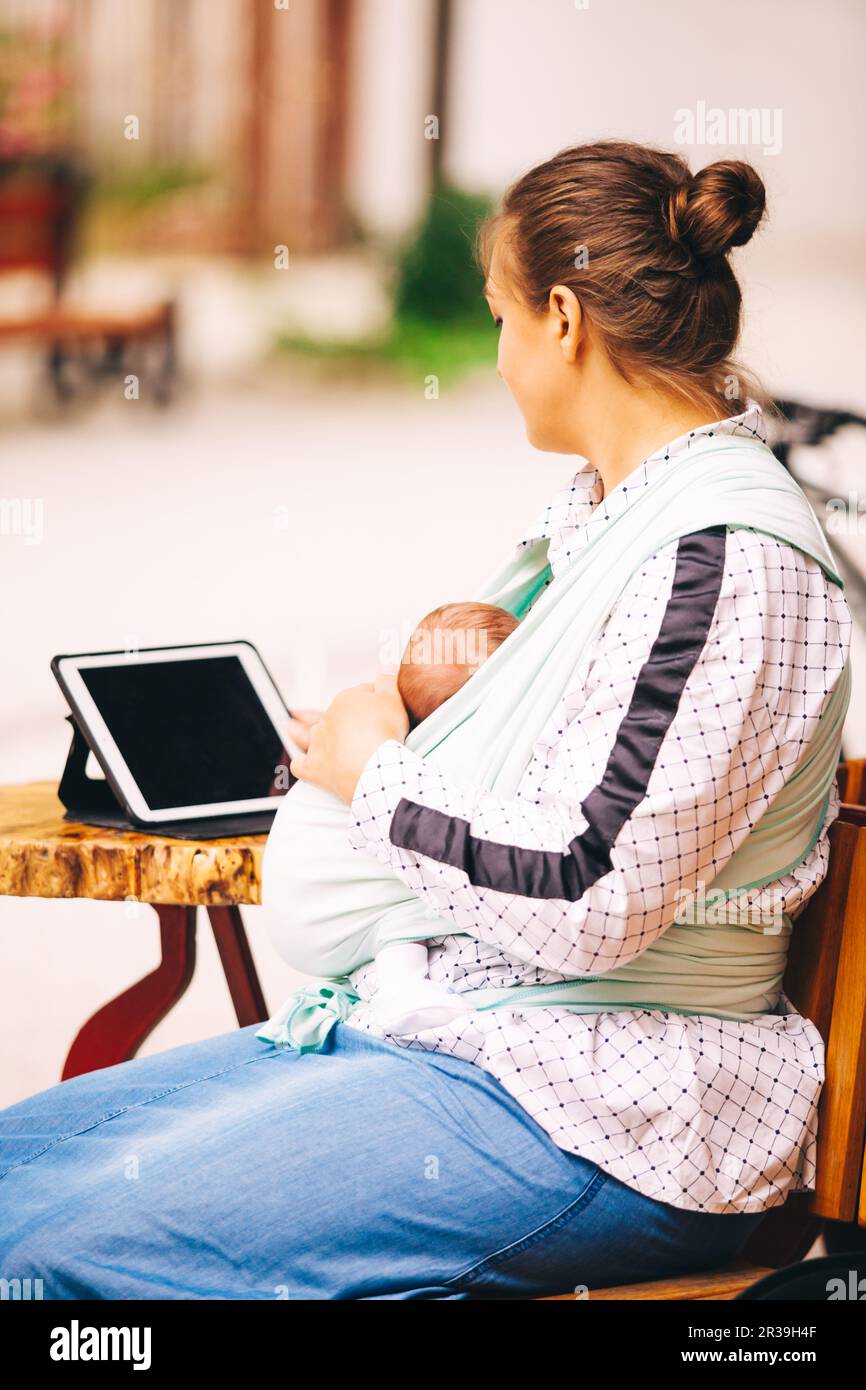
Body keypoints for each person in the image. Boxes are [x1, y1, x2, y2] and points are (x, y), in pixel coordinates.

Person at [0, 140, 851, 1300]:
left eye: (500, 319)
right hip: (462, 1036)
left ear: (561, 318)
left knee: (63, 1268)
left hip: (613, 1111)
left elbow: (590, 892)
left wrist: (371, 773)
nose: (497, 361)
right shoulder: (614, 529)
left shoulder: (717, 562)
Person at [256, 600, 520, 1039]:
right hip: (329, 919)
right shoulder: (447, 761)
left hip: (294, 902)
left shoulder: (373, 722)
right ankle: (403, 991)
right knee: (446, 898)